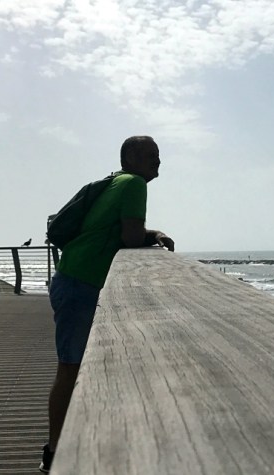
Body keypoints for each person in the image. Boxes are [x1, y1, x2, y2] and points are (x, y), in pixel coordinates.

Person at [40, 136, 175, 473]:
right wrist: (151, 236)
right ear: (131, 157)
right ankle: (54, 454)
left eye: (158, 155)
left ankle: (65, 447)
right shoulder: (134, 184)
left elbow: (120, 231)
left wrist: (152, 234)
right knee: (70, 369)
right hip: (80, 283)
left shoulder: (117, 181)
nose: (158, 160)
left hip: (74, 279)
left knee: (75, 368)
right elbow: (131, 237)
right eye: (151, 155)